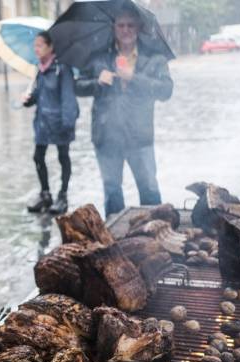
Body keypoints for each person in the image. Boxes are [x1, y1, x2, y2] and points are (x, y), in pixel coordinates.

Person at [75, 4, 173, 217]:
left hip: (140, 137)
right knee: (112, 190)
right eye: (121, 25)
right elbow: (77, 86)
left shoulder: (153, 58)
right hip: (107, 137)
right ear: (114, 28)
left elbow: (166, 91)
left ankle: (155, 232)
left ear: (138, 28)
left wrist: (134, 78)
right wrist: (96, 82)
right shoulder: (99, 58)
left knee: (149, 189)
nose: (126, 30)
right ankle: (114, 238)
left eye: (130, 25)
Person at [23, 31, 79, 215]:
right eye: (35, 45)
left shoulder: (61, 69)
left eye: (40, 45)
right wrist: (29, 99)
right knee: (38, 157)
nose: (36, 48)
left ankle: (62, 196)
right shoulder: (40, 69)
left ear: (50, 46)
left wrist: (68, 123)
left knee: (63, 157)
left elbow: (68, 98)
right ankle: (45, 194)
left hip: (60, 122)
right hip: (42, 123)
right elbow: (39, 95)